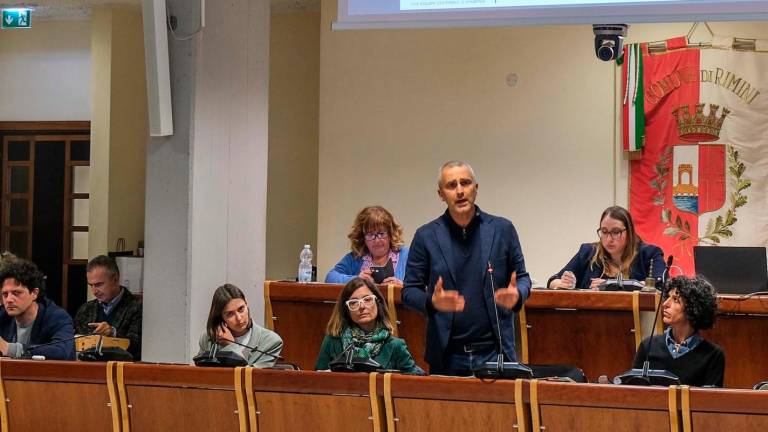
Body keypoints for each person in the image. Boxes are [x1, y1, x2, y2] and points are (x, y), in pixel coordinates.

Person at [402, 161, 531, 376]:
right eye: (451, 185)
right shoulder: (426, 236)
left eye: (465, 183)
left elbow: (524, 277)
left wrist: (517, 294)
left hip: (495, 352)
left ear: (476, 188)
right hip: (447, 355)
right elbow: (409, 291)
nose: (460, 191)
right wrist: (431, 302)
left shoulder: (502, 229)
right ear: (441, 194)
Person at [315, 277, 423, 374]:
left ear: (378, 303)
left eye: (367, 299)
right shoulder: (332, 341)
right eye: (354, 302)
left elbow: (415, 382)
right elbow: (318, 383)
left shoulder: (396, 346)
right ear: (346, 310)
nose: (361, 306)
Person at [632, 276, 724, 387]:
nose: (665, 304)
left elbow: (711, 400)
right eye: (668, 297)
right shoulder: (648, 346)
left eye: (675, 300)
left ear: (693, 308)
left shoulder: (713, 355)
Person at [548, 206, 665, 290]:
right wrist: (564, 284)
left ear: (629, 232)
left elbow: (661, 285)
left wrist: (609, 284)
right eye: (604, 232)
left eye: (615, 232)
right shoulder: (588, 252)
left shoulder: (650, 254)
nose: (609, 239)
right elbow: (553, 280)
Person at [0, 259, 75, 360]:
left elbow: (62, 351)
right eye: (5, 294)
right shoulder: (2, 315)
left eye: (16, 293)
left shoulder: (57, 317)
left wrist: (11, 349)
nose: (8, 300)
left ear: (35, 293)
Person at [74, 255, 143, 360]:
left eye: (98, 285)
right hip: (89, 370)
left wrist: (113, 333)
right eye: (91, 285)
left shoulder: (137, 307)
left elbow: (138, 348)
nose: (94, 291)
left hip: (122, 372)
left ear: (115, 280)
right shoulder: (86, 309)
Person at [198, 284, 283, 367]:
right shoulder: (208, 339)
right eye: (230, 314)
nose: (238, 318)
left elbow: (251, 378)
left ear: (246, 304)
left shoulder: (271, 341)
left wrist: (230, 345)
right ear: (220, 317)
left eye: (241, 309)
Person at [325, 205, 410, 285]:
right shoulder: (356, 258)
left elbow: (421, 286)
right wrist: (356, 280)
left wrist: (402, 287)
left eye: (381, 233)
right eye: (370, 235)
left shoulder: (405, 255)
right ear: (362, 237)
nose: (377, 240)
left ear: (391, 234)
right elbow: (330, 277)